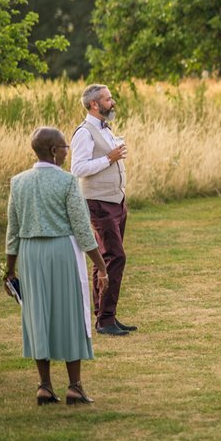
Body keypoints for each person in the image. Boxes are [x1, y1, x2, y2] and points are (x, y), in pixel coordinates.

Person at [4, 127, 110, 405]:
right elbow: (82, 231)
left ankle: (44, 386)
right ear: (53, 151)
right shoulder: (67, 182)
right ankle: (74, 386)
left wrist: (9, 270)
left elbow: (12, 231)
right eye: (65, 147)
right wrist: (101, 266)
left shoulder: (18, 182)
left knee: (37, 316)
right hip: (62, 251)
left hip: (30, 254)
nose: (67, 151)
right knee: (70, 314)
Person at [70, 84, 133, 336]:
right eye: (108, 99)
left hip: (116, 201)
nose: (113, 102)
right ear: (94, 104)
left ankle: (107, 317)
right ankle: (105, 320)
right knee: (115, 257)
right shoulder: (84, 133)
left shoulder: (105, 128)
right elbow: (78, 169)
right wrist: (110, 158)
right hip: (98, 203)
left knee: (105, 259)